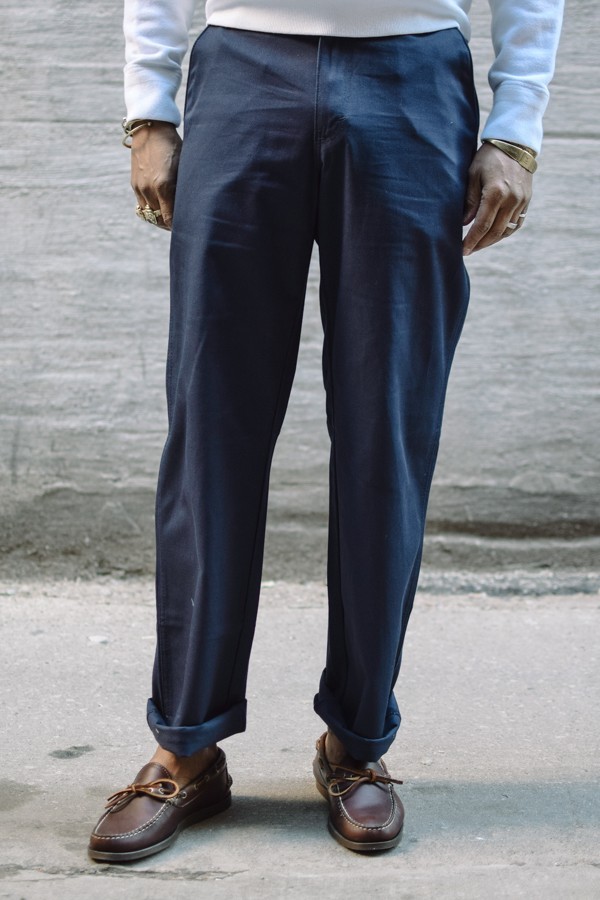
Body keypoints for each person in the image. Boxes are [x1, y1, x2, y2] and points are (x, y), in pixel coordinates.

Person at [88, 0, 563, 861]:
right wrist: (149, 111)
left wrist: (515, 128)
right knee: (211, 425)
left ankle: (357, 740)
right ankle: (186, 745)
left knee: (388, 428)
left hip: (413, 74)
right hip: (243, 68)